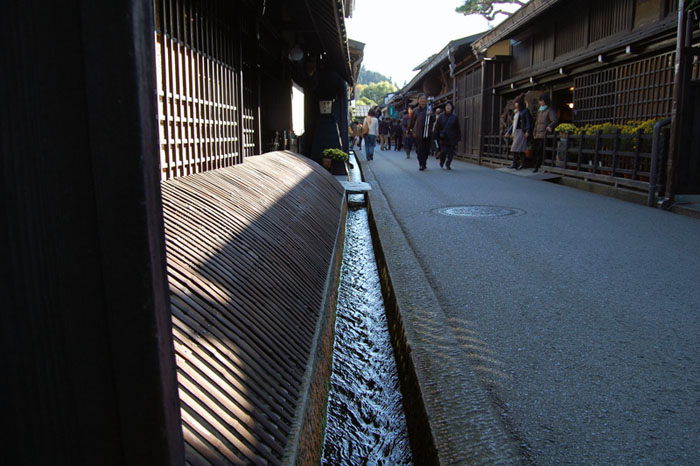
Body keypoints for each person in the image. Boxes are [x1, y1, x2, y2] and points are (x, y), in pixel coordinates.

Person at [532, 93, 558, 173]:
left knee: (541, 151)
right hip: (538, 134)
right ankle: (538, 165)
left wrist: (550, 126)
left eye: (541, 101)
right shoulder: (540, 111)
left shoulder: (549, 110)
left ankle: (538, 166)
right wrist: (534, 133)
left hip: (545, 134)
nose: (540, 102)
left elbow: (555, 120)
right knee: (537, 151)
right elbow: (537, 123)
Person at [504, 94, 532, 170]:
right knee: (517, 148)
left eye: (517, 102)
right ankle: (516, 164)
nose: (515, 104)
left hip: (521, 131)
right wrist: (508, 132)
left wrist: (528, 131)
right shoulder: (517, 112)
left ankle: (520, 164)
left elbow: (528, 122)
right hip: (516, 131)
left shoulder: (525, 111)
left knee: (518, 148)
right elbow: (514, 124)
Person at [408, 94, 434, 171]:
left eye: (424, 99)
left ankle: (424, 161)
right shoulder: (415, 111)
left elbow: (433, 120)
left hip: (427, 133)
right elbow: (412, 122)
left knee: (426, 150)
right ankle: (421, 164)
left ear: (426, 100)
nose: (422, 101)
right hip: (417, 133)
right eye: (421, 99)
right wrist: (409, 129)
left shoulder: (429, 110)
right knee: (419, 150)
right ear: (418, 100)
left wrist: (432, 115)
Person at [434, 102, 461, 170]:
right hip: (443, 138)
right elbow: (437, 127)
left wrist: (458, 137)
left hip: (452, 137)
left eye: (449, 106)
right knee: (443, 151)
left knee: (451, 152)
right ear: (444, 108)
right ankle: (442, 161)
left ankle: (448, 164)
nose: (448, 107)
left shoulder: (455, 117)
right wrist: (436, 135)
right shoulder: (441, 117)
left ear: (452, 108)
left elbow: (457, 128)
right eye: (447, 106)